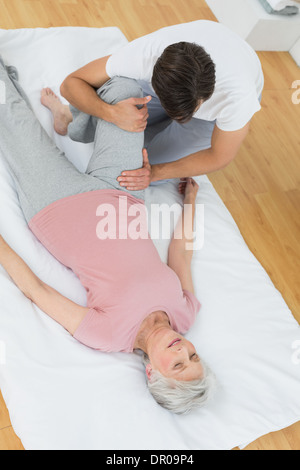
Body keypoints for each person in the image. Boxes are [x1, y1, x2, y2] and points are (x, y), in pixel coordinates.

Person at [0, 58, 215, 414]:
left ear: (151, 373)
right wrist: (190, 201)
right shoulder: (185, 314)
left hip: (55, 204)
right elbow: (181, 256)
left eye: (177, 363)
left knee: (10, 116)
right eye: (193, 355)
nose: (183, 348)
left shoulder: (108, 336)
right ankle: (73, 123)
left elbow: (37, 291)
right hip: (123, 192)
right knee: (125, 94)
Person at [58, 20, 264, 191]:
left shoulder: (237, 97)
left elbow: (220, 156)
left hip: (219, 100)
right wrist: (110, 113)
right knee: (110, 120)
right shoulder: (145, 55)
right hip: (165, 82)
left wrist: (155, 173)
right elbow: (70, 84)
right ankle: (68, 114)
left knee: (137, 169)